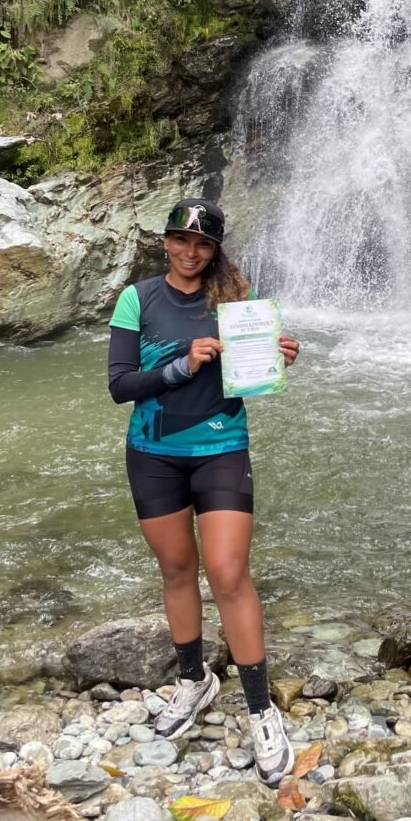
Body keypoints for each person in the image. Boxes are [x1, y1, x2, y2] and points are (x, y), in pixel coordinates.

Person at [107, 198, 300, 785]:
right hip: (153, 451)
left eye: (203, 244)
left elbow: (253, 381)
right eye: (181, 241)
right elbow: (120, 386)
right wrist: (181, 366)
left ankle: (262, 710)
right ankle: (194, 679)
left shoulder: (236, 302)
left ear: (216, 250)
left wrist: (279, 357)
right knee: (176, 569)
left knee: (228, 571)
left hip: (221, 447)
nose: (191, 252)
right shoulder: (137, 298)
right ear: (165, 242)